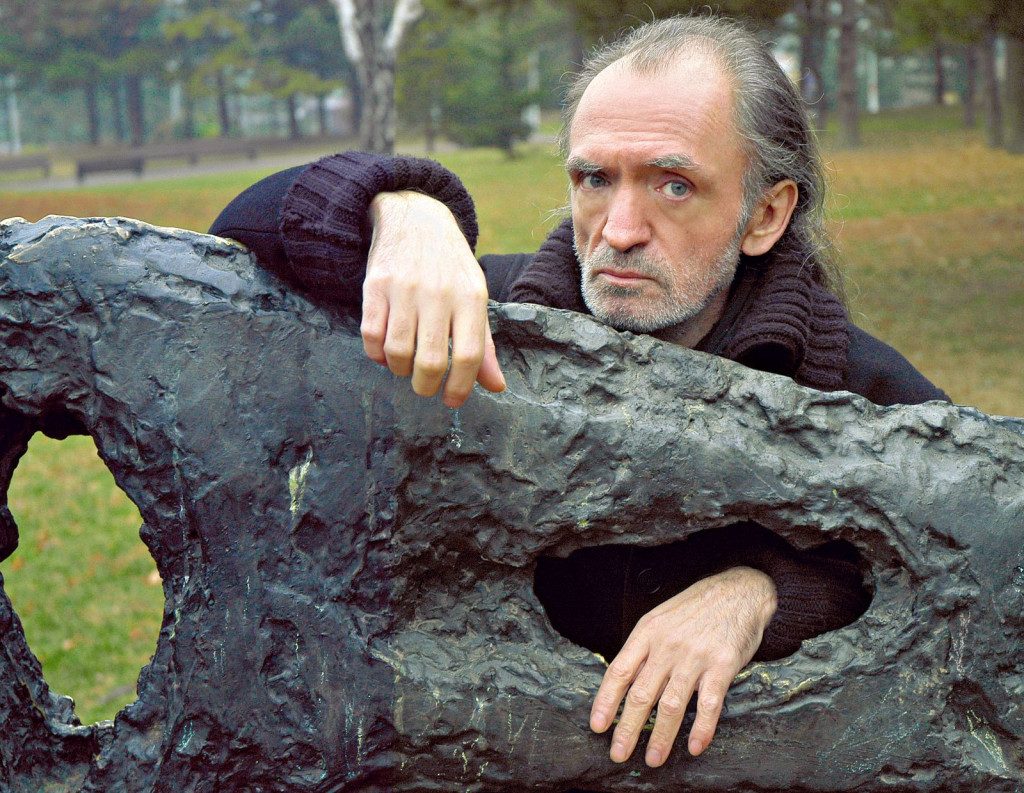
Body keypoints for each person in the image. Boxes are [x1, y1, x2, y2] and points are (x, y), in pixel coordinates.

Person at [210, 14, 948, 771]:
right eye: (595, 179)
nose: (619, 230)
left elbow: (958, 564)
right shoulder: (480, 319)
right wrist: (399, 210)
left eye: (674, 185)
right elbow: (229, 248)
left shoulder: (863, 392)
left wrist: (759, 593)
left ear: (765, 214)